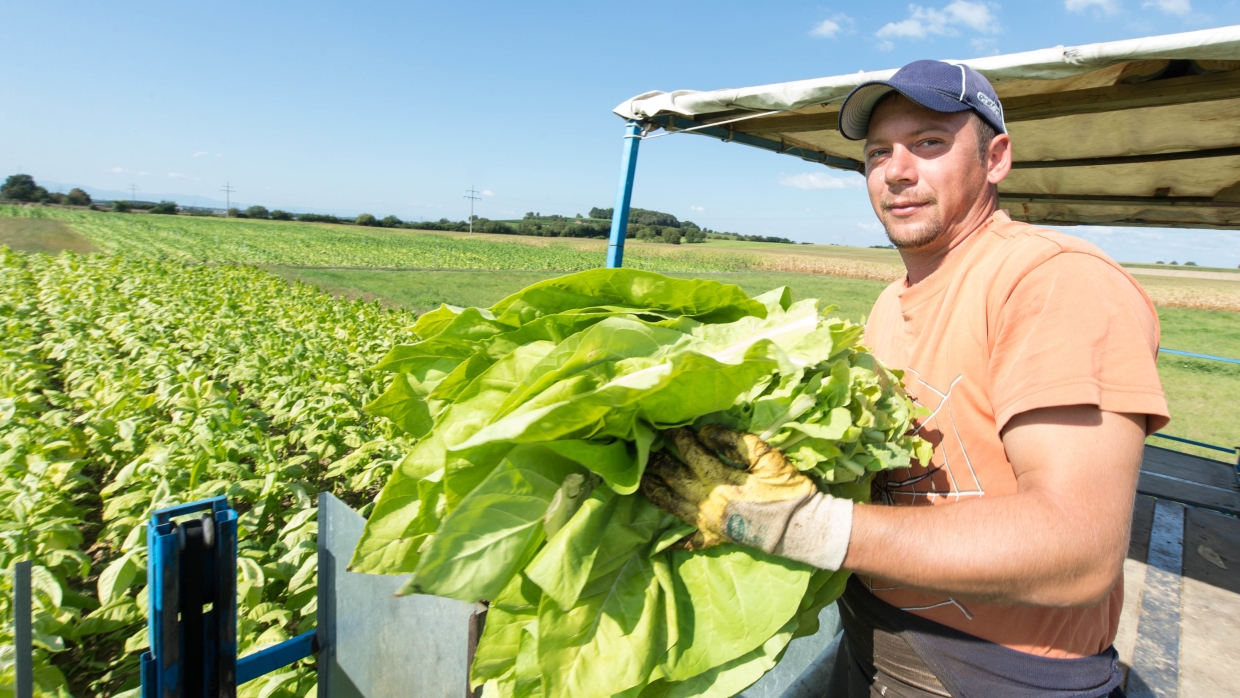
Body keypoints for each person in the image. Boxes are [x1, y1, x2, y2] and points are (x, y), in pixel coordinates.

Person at [640, 60, 1170, 698]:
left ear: (995, 158)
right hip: (869, 635)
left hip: (1001, 672)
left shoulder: (1054, 280)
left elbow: (1077, 550)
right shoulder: (892, 302)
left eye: (929, 143)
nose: (896, 171)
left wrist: (803, 524)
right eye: (876, 153)